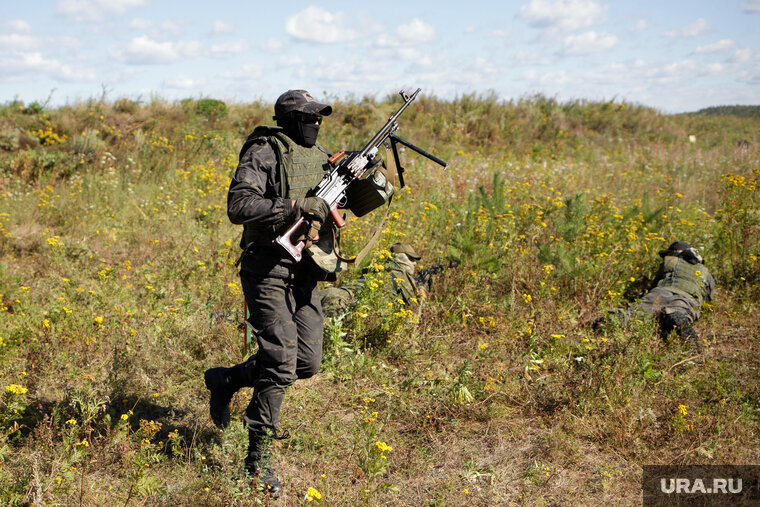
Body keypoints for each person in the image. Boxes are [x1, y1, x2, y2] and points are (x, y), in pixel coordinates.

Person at [204, 89, 337, 497]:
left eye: (320, 118)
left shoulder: (319, 156)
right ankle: (256, 461)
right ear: (292, 120)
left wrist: (357, 177)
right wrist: (297, 206)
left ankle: (228, 379)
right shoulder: (264, 151)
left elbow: (334, 200)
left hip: (304, 269)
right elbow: (238, 206)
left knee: (306, 362)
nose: (316, 125)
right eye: (310, 118)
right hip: (266, 268)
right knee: (280, 360)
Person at [594, 241, 715, 349]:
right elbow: (706, 300)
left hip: (661, 292)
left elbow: (656, 283)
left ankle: (615, 319)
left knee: (635, 315)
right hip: (686, 298)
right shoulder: (706, 273)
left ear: (673, 254)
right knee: (680, 312)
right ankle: (677, 317)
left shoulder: (670, 261)